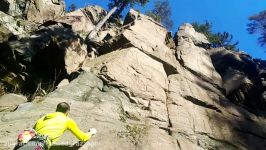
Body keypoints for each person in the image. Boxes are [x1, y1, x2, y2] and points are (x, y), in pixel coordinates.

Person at [32, 102, 96, 149]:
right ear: (67, 112)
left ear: (56, 110)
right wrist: (91, 132)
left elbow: (32, 132)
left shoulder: (42, 118)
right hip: (41, 144)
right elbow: (83, 137)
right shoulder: (67, 120)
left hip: (28, 143)